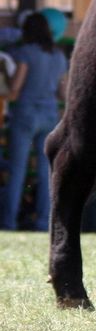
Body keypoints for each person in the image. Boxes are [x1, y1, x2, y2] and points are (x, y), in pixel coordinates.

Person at [0, 12, 68, 231]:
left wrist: (6, 82)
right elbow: (63, 93)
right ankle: (43, 223)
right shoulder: (58, 56)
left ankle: (8, 222)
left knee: (17, 171)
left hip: (26, 113)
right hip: (49, 115)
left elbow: (15, 90)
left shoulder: (25, 53)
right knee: (46, 172)